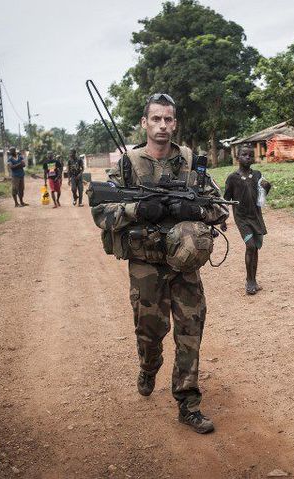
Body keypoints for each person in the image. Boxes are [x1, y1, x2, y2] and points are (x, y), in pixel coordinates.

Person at [91, 93, 228, 433]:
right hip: (145, 264)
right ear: (144, 123)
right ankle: (149, 366)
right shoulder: (126, 164)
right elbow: (100, 212)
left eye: (168, 119)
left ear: (175, 123)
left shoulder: (191, 162)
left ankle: (188, 403)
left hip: (184, 265)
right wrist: (137, 210)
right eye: (156, 119)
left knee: (190, 331)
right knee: (151, 333)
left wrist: (194, 210)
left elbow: (220, 207)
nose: (162, 126)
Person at [223, 145, 271, 295]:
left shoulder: (257, 174)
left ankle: (254, 280)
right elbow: (226, 199)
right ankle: (249, 281)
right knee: (250, 246)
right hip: (242, 218)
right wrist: (223, 219)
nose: (248, 157)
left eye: (251, 155)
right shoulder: (232, 178)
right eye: (244, 155)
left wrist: (267, 187)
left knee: (255, 247)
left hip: (256, 217)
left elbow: (262, 196)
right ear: (238, 157)